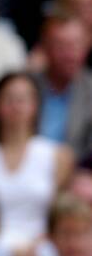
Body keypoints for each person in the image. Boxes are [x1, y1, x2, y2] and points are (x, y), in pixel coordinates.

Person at [0, 71, 74, 251]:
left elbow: (61, 215)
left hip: (41, 250)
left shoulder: (59, 156)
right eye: (9, 98)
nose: (16, 106)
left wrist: (35, 247)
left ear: (36, 105)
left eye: (23, 99)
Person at [31, 12, 92, 159]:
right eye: (61, 45)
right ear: (44, 47)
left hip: (78, 174)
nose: (70, 54)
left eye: (76, 44)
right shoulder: (26, 85)